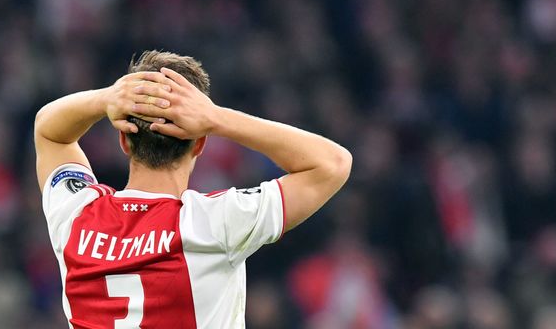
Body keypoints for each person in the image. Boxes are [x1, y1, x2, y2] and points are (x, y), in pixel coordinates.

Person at [34, 50, 352, 328]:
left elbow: (49, 132)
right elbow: (332, 163)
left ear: (123, 141)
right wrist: (216, 118)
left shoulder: (77, 216)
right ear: (200, 144)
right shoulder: (215, 222)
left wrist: (105, 99)